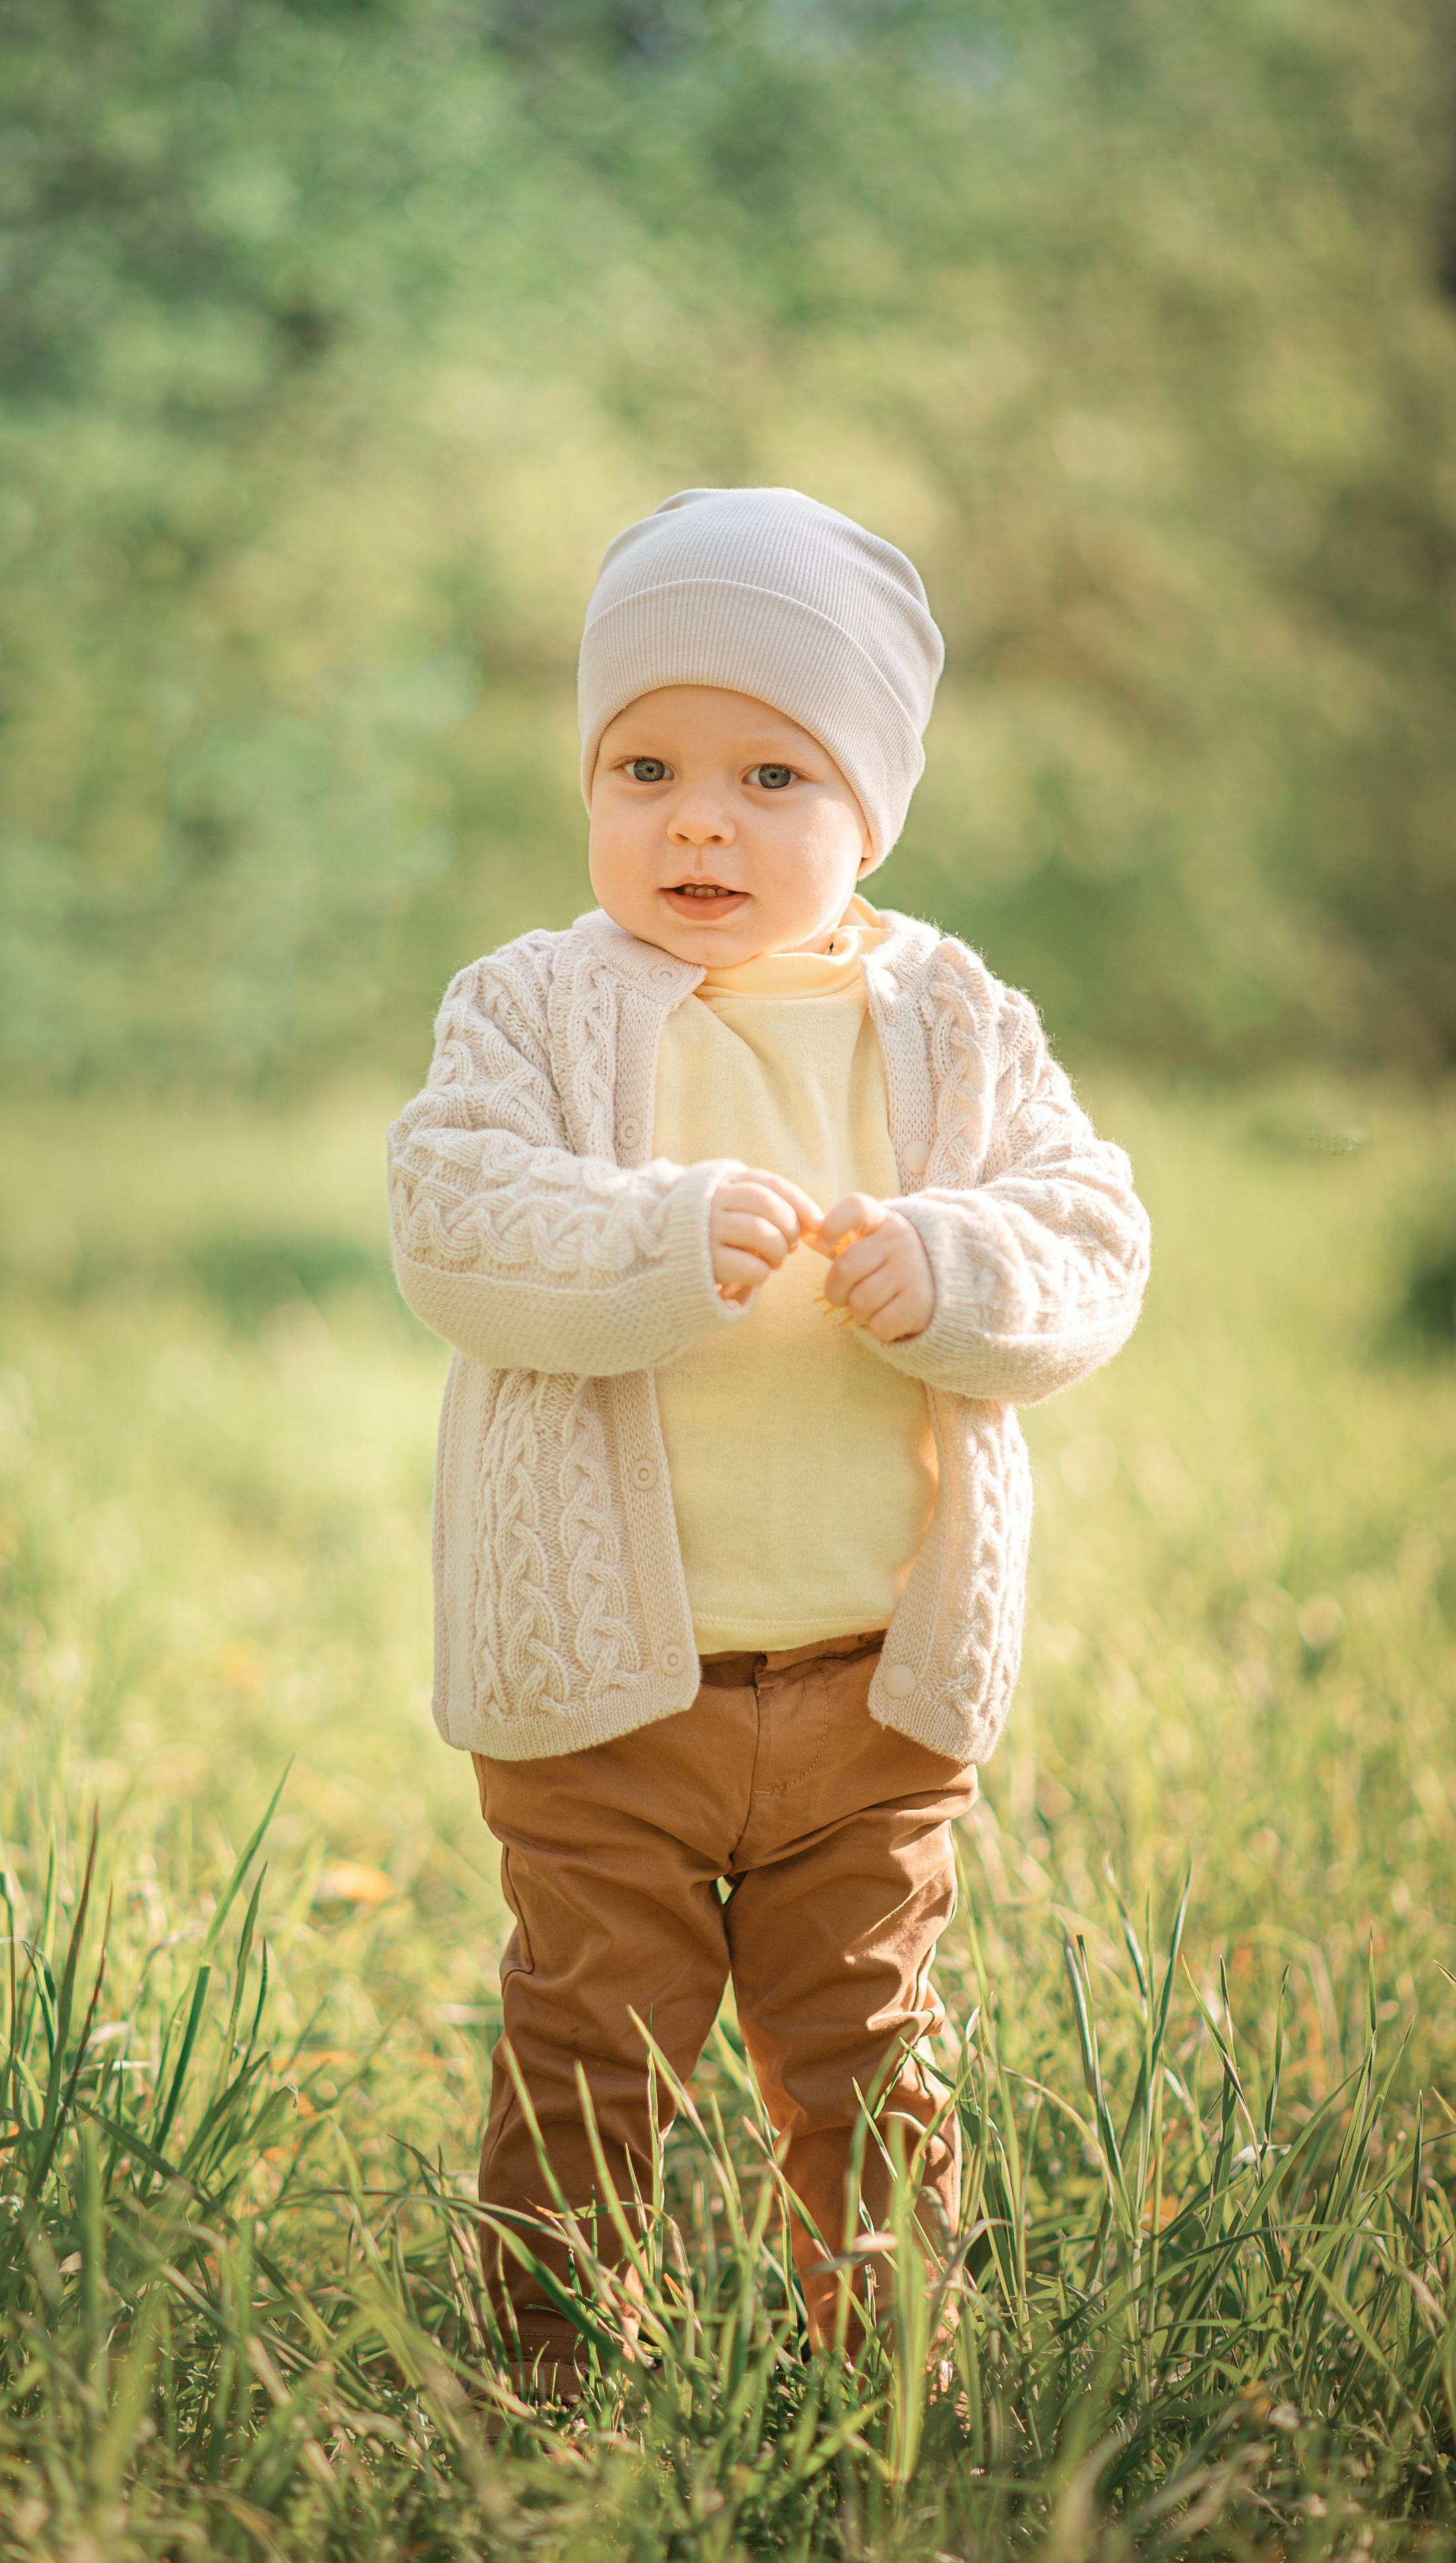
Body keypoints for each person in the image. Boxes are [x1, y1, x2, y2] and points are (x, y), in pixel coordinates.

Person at [388, 487, 1151, 2387]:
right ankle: (554, 2370)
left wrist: (956, 1264)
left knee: (873, 2044)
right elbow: (454, 1214)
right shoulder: (535, 1006)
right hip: (605, 1695)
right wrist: (651, 1240)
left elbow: (1090, 1231)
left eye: (769, 774)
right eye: (642, 763)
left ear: (870, 809)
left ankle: (885, 2368)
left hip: (869, 1683)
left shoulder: (956, 1020)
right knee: (588, 2040)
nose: (698, 818)